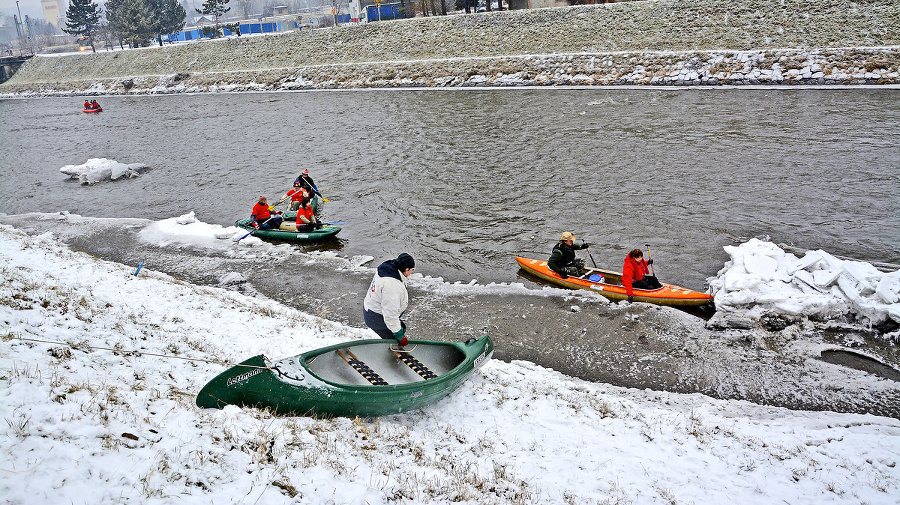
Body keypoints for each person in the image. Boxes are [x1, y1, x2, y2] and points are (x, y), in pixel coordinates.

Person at [363, 253, 415, 347]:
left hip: (371, 309)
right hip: (376, 317)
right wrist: (399, 336)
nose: (412, 272)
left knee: (401, 328)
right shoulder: (392, 285)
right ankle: (393, 358)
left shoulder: (388, 270)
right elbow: (390, 314)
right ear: (406, 269)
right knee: (395, 340)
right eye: (412, 270)